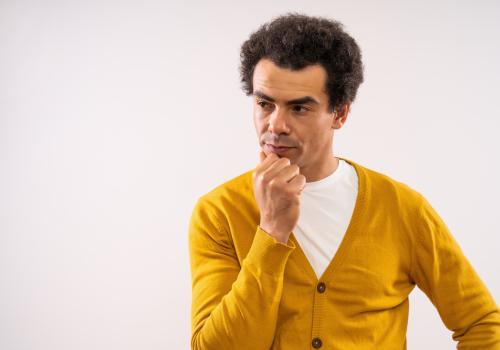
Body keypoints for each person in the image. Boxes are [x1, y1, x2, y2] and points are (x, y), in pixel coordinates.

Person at [188, 12, 500, 350]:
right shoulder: (218, 213)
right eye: (264, 103)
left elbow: (482, 325)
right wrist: (271, 233)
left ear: (340, 113)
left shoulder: (402, 209)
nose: (275, 125)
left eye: (299, 109)